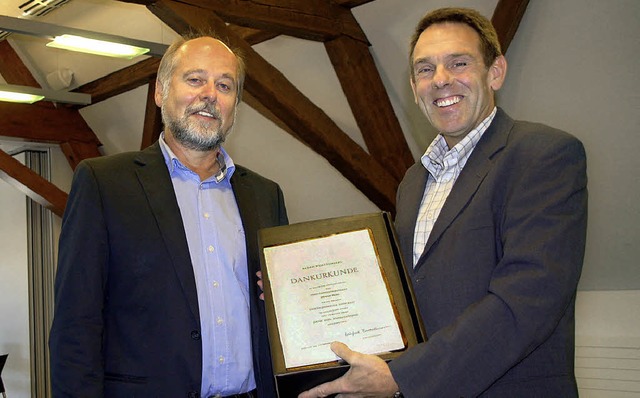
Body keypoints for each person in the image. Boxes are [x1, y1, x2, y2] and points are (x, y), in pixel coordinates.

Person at [300, 7, 587, 398]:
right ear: (414, 87)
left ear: (495, 72)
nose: (441, 80)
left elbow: (526, 301)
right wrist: (296, 293)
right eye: (424, 69)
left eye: (459, 63)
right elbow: (402, 292)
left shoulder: (542, 155)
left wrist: (403, 379)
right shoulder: (413, 182)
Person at [49, 33, 288, 398]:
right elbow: (75, 326)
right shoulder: (104, 184)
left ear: (234, 105)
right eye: (195, 79)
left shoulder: (267, 195)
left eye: (225, 85)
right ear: (160, 92)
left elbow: (282, 312)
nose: (210, 93)